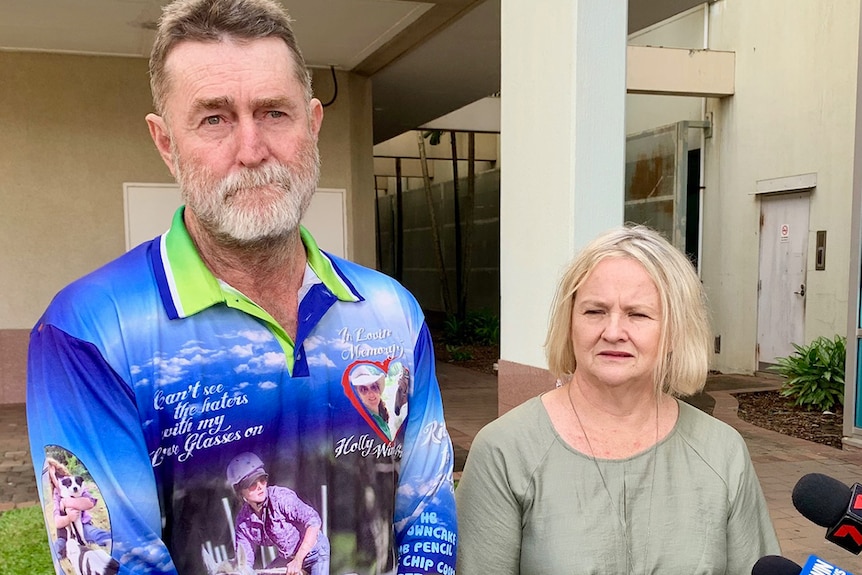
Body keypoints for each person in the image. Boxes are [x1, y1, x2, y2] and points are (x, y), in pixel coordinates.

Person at [26, 0, 457, 573]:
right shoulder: (90, 331)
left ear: (313, 124)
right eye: (214, 119)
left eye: (275, 112)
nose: (252, 151)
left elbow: (426, 511)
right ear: (165, 143)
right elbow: (116, 561)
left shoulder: (390, 312)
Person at [456, 225, 780, 574]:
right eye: (594, 311)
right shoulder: (506, 450)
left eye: (637, 314)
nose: (612, 332)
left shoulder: (721, 452)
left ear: (675, 331)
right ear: (569, 323)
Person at [228, 453, 329, 575]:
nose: (260, 486)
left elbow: (314, 521)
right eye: (252, 484)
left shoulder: (281, 498)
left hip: (314, 553)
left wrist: (298, 560)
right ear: (240, 492)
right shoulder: (243, 521)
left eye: (262, 479)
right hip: (288, 558)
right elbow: (245, 562)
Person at [45, 457, 111, 559]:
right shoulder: (56, 494)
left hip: (83, 525)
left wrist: (67, 502)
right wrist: (68, 517)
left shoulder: (77, 484)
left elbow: (90, 503)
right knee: (58, 546)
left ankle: (115, 542)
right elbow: (57, 522)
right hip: (64, 533)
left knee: (95, 534)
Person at [350, 364, 392, 439]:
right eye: (363, 389)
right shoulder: (361, 423)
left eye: (374, 387)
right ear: (357, 396)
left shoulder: (382, 415)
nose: (371, 394)